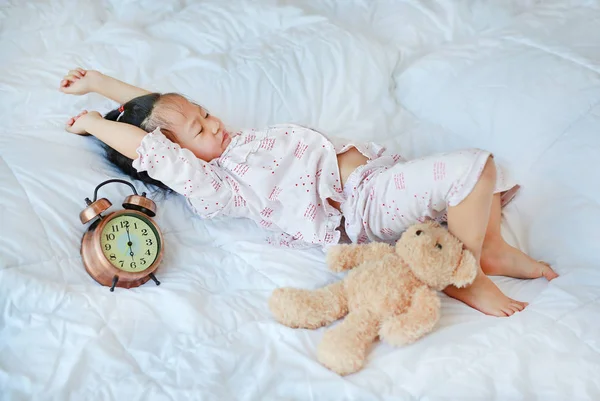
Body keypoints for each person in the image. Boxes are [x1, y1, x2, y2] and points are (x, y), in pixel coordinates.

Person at [60, 68, 558, 317]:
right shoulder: (215, 186)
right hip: (361, 208)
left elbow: (161, 112)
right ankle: (467, 270)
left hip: (383, 180)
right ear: (182, 158)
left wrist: (104, 86)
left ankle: (490, 249)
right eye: (200, 130)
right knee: (474, 167)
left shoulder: (237, 142)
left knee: (487, 184)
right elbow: (157, 145)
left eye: (207, 113)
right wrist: (92, 123)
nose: (214, 125)